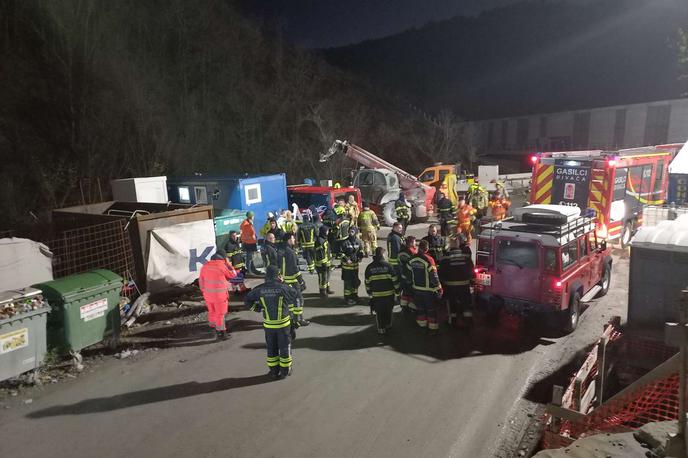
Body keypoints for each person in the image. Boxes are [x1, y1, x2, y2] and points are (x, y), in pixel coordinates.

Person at [244, 265, 298, 380]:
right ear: (277, 275)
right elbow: (295, 294)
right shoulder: (283, 288)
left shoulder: (260, 289)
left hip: (269, 325)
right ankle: (285, 371)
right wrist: (283, 283)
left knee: (271, 348)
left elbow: (247, 300)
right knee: (284, 347)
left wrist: (257, 308)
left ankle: (273, 371)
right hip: (283, 325)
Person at [199, 249, 238, 340]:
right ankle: (221, 333)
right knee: (220, 314)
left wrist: (205, 292)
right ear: (223, 258)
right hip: (219, 296)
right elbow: (233, 275)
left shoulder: (205, 266)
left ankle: (213, 328)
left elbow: (201, 282)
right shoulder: (222, 266)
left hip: (208, 295)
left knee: (212, 312)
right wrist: (229, 265)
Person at [439, 235, 474, 326]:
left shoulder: (445, 258)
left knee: (451, 304)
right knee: (466, 304)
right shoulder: (466, 257)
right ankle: (468, 322)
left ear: (450, 246)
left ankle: (452, 321)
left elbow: (441, 273)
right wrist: (472, 282)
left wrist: (442, 284)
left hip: (450, 287)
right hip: (464, 286)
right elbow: (471, 270)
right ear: (458, 245)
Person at [408, 240, 443, 333]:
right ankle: (433, 330)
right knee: (431, 310)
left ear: (419, 247)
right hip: (428, 291)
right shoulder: (429, 259)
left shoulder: (412, 258)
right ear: (427, 249)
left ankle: (422, 327)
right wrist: (439, 288)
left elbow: (408, 272)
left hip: (416, 289)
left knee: (420, 309)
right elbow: (434, 276)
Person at [365, 247, 400, 334]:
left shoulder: (369, 267)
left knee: (379, 312)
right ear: (383, 255)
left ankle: (381, 328)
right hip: (389, 294)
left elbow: (367, 282)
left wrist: (369, 293)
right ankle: (388, 324)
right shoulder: (388, 266)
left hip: (377, 295)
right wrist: (398, 291)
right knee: (388, 310)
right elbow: (394, 280)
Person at [278, 233, 310, 326]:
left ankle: (291, 320)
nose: (294, 240)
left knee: (289, 301)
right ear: (288, 240)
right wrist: (301, 281)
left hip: (283, 280)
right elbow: (294, 268)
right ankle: (299, 320)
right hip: (292, 280)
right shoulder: (290, 252)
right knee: (298, 299)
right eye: (293, 238)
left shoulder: (280, 249)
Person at [340, 226, 364, 305]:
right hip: (347, 267)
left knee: (355, 281)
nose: (351, 233)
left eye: (352, 231)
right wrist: (346, 259)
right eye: (350, 231)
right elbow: (341, 253)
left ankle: (354, 296)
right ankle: (347, 298)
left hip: (355, 266)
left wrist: (360, 257)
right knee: (347, 282)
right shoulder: (345, 242)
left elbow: (361, 250)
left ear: (356, 232)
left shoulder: (358, 241)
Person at [398, 236, 417, 312]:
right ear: (412, 243)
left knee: (405, 292)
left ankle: (403, 307)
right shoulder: (412, 252)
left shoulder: (401, 251)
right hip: (410, 276)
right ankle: (411, 308)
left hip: (402, 275)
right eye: (415, 242)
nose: (416, 243)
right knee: (412, 293)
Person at [314, 225, 333, 297]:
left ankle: (327, 289)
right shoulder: (320, 241)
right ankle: (322, 291)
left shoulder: (324, 239)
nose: (328, 232)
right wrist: (323, 263)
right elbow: (320, 254)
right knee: (322, 277)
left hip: (327, 262)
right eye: (327, 231)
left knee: (327, 276)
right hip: (321, 264)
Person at [387, 222, 405, 287]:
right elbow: (398, 250)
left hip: (392, 261)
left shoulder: (392, 235)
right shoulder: (395, 237)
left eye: (401, 228)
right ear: (394, 228)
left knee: (394, 278)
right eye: (399, 228)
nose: (401, 229)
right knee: (397, 279)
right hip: (396, 262)